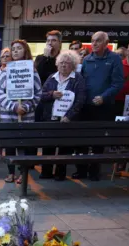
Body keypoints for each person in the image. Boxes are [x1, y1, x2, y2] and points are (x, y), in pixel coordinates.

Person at [78, 31, 124, 181]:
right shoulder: (86, 60)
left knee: (98, 141)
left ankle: (94, 171)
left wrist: (104, 97)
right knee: (83, 140)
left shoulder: (115, 59)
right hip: (86, 105)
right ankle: (82, 170)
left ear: (106, 43)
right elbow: (82, 81)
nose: (94, 44)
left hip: (104, 105)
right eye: (92, 41)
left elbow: (117, 83)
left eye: (98, 41)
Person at [0, 39, 42, 184]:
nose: (15, 51)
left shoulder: (33, 71)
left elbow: (38, 93)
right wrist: (13, 106)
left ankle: (23, 173)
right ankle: (11, 173)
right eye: (13, 49)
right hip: (8, 115)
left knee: (25, 145)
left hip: (26, 115)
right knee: (10, 145)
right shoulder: (5, 70)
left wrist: (26, 107)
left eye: (19, 48)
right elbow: (0, 92)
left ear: (26, 51)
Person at [39, 50, 86, 181]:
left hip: (67, 119)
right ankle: (46, 172)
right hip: (50, 117)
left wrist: (69, 116)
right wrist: (51, 94)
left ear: (73, 65)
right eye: (61, 63)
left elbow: (80, 101)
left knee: (64, 147)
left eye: (67, 63)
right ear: (57, 64)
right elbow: (41, 96)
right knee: (48, 146)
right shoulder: (51, 78)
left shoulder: (78, 79)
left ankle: (60, 173)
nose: (64, 65)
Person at [0, 47, 11, 161]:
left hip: (11, 106)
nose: (5, 58)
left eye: (7, 56)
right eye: (3, 56)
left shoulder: (16, 70)